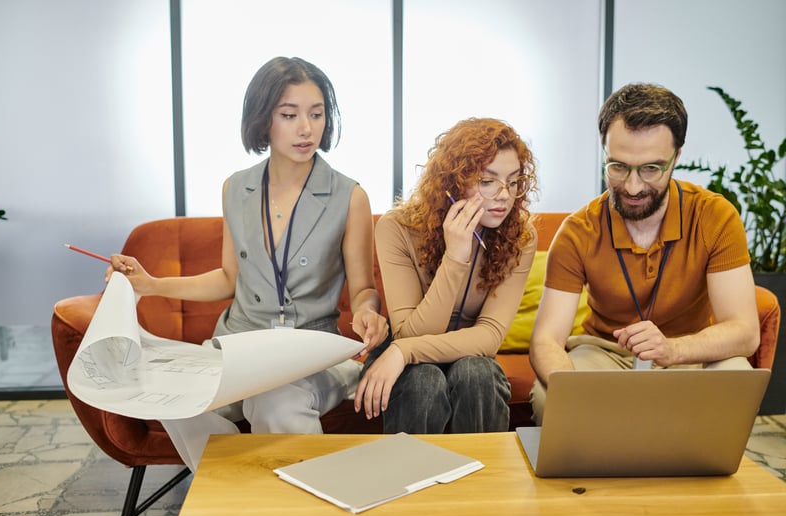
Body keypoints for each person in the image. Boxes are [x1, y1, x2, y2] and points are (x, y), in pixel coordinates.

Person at [107, 56, 389, 470]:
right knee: (173, 396)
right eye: (289, 115)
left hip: (307, 352)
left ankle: (311, 506)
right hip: (237, 346)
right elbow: (228, 279)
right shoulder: (235, 189)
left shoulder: (350, 197)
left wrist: (368, 312)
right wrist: (150, 284)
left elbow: (363, 288)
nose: (306, 128)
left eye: (316, 114)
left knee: (274, 401)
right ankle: (236, 491)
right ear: (263, 120)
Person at [528, 83, 760, 424]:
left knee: (737, 376)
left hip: (690, 353)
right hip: (606, 355)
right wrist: (573, 391)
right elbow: (546, 340)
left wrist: (673, 350)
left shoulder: (716, 216)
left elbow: (745, 331)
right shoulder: (578, 231)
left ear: (677, 157)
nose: (633, 187)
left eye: (651, 168)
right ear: (604, 153)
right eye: (618, 167)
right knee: (549, 399)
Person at [354, 117, 539, 433]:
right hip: (407, 363)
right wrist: (455, 257)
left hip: (460, 356)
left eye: (513, 181)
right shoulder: (396, 228)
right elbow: (410, 333)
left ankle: (484, 481)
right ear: (453, 182)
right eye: (487, 181)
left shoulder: (521, 237)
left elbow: (489, 337)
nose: (505, 195)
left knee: (477, 373)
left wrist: (403, 350)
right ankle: (410, 480)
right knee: (424, 379)